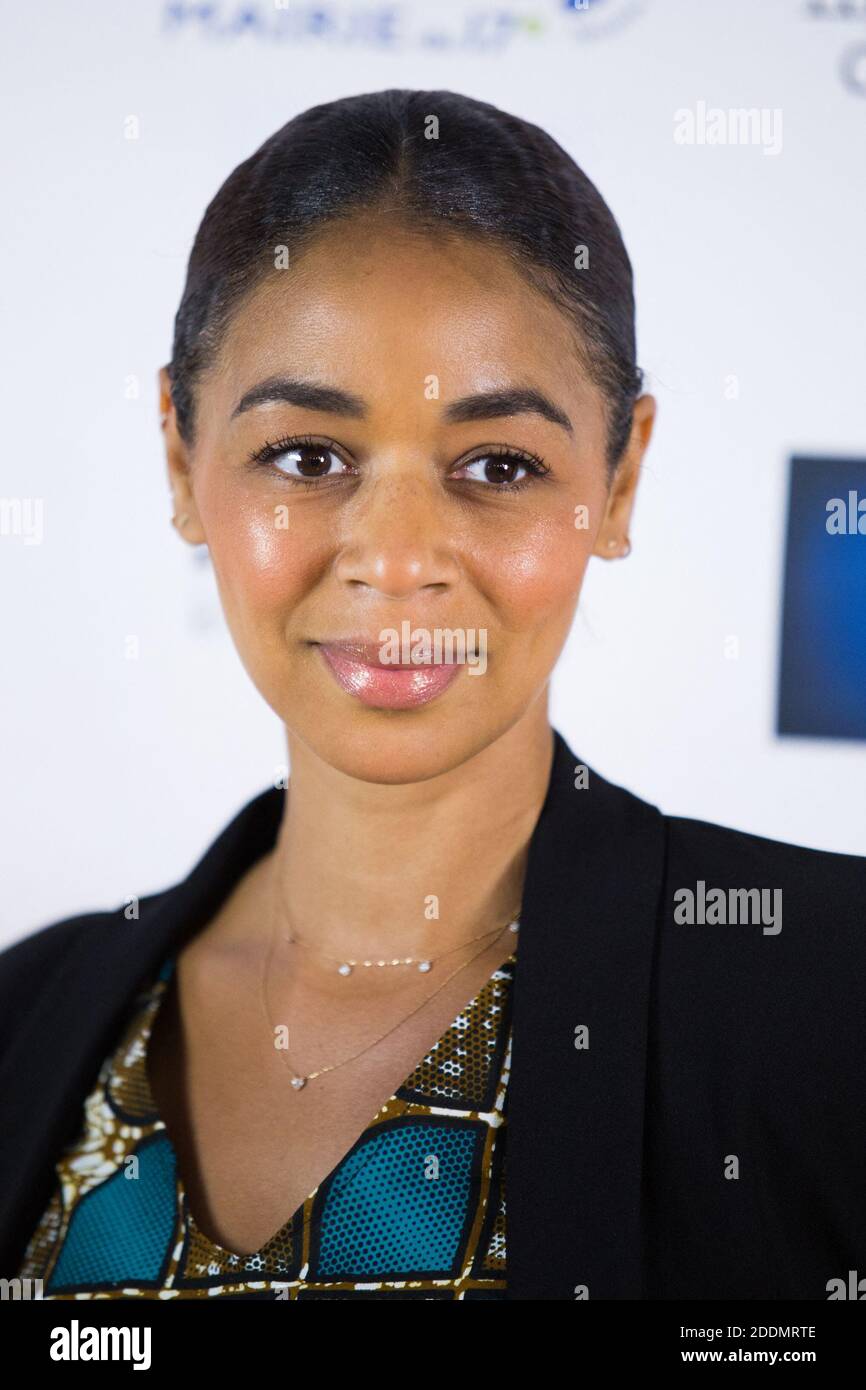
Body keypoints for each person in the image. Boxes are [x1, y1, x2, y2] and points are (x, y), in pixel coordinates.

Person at [1, 89, 864, 1302]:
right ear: (179, 456)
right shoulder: (25, 1017)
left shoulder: (827, 999)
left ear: (616, 483)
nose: (397, 554)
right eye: (307, 456)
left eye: (497, 464)